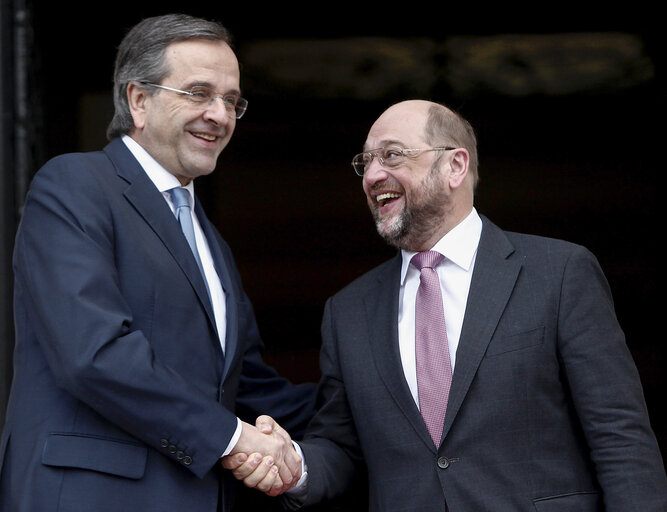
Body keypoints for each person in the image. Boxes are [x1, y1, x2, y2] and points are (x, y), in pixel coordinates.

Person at [225, 99, 667, 511]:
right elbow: (343, 448)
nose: (373, 174)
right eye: (366, 162)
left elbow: (619, 436)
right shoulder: (348, 311)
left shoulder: (559, 272)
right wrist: (294, 466)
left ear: (455, 165)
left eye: (393, 155)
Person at [0, 13, 315, 512]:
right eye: (199, 93)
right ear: (139, 100)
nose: (220, 114)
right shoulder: (75, 185)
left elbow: (245, 384)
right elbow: (94, 353)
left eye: (232, 101)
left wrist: (381, 406)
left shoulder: (207, 238)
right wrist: (234, 439)